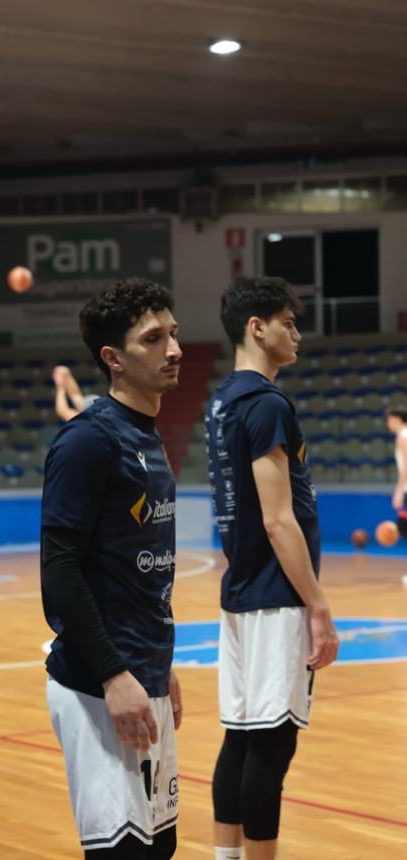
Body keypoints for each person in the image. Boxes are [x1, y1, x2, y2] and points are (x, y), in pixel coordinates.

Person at [41, 278, 183, 858]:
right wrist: (113, 676)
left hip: (143, 673)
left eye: (173, 333)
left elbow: (139, 568)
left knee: (160, 846)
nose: (174, 349)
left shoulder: (146, 436)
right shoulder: (87, 443)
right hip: (99, 686)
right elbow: (60, 573)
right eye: (154, 339)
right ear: (114, 359)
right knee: (122, 854)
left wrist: (159, 665)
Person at [205, 277, 339, 860]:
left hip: (240, 592)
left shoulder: (220, 402)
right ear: (257, 327)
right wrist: (319, 605)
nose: (297, 333)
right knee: (271, 749)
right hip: (275, 595)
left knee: (240, 739)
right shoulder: (265, 404)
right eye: (288, 321)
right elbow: (278, 520)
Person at [385, 405, 407, 538]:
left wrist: (398, 491)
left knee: (403, 526)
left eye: (389, 419)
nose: (388, 423)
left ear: (397, 419)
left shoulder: (402, 436)